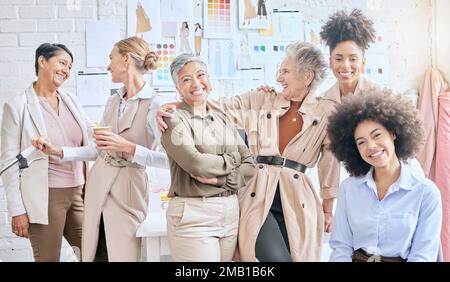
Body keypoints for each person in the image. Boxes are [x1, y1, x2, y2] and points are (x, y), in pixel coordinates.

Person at [157, 42, 340, 262]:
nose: (279, 77)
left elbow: (330, 161)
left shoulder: (325, 111)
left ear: (307, 76)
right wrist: (175, 105)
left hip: (298, 197)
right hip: (258, 191)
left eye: (285, 71)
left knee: (298, 257)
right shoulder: (263, 98)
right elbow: (218, 105)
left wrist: (327, 208)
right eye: (279, 71)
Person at [32, 37, 168, 262]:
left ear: (125, 60)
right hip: (97, 185)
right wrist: (59, 152)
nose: (107, 66)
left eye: (111, 59)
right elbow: (97, 150)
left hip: (128, 189)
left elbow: (168, 160)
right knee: (95, 253)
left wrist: (129, 147)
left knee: (124, 255)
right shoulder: (113, 101)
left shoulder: (155, 103)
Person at [160, 54, 255, 262]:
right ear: (178, 89)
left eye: (200, 75)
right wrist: (232, 159)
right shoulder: (173, 119)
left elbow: (250, 165)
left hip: (230, 212)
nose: (196, 83)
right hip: (194, 214)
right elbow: (197, 164)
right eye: (186, 79)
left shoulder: (222, 118)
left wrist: (222, 179)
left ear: (209, 80)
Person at [327, 91, 442, 262]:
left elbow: (423, 256)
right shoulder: (349, 188)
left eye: (377, 135)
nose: (371, 146)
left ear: (393, 133)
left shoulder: (426, 192)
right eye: (361, 142)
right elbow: (341, 247)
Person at [1, 43, 91, 261]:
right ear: (42, 61)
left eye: (69, 66)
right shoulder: (18, 106)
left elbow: (92, 135)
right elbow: (8, 163)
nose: (66, 70)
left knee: (94, 253)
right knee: (48, 258)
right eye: (62, 63)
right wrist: (17, 211)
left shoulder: (72, 101)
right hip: (45, 196)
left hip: (80, 193)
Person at [319, 9, 424, 177]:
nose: (345, 65)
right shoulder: (323, 102)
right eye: (338, 59)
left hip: (394, 174)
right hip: (355, 178)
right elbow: (328, 154)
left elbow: (396, 148)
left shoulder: (380, 97)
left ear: (363, 63)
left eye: (353, 59)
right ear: (330, 62)